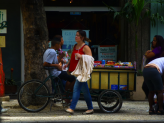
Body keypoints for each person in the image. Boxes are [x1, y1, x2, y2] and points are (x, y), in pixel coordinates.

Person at [64, 30, 94, 114]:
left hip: (81, 72)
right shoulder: (75, 46)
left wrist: (81, 56)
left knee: (76, 89)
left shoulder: (85, 47)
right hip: (75, 71)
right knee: (85, 91)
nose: (75, 37)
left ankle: (72, 108)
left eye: (77, 35)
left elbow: (91, 59)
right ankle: (90, 108)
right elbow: (72, 57)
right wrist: (67, 64)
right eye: (76, 35)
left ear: (82, 38)